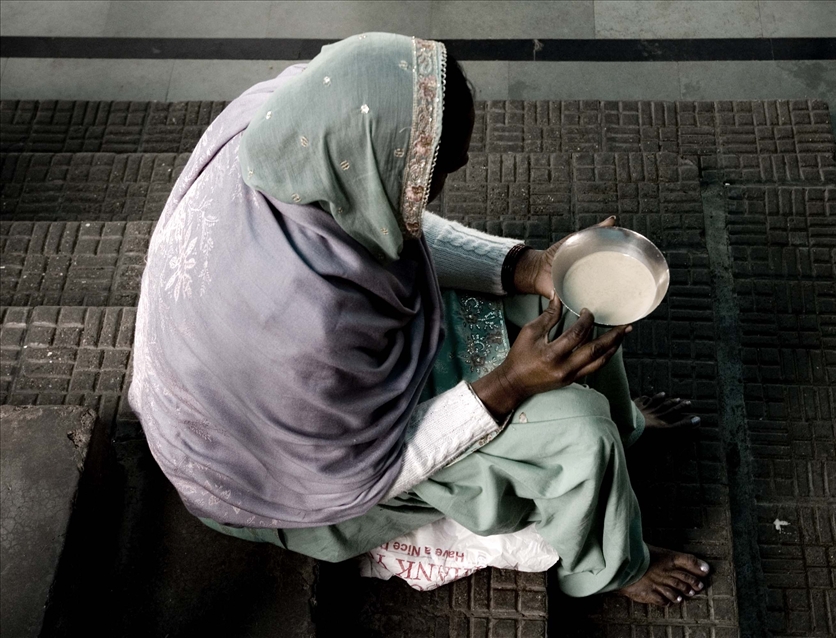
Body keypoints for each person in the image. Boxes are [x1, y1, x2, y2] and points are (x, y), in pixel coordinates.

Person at [129, 33, 710, 607]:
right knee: (582, 433)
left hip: (313, 387)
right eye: (431, 178)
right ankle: (612, 566)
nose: (435, 193)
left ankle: (622, 421)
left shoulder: (286, 121)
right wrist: (509, 383)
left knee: (568, 303)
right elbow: (366, 470)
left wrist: (526, 267)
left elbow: (383, 215)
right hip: (293, 468)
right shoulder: (308, 324)